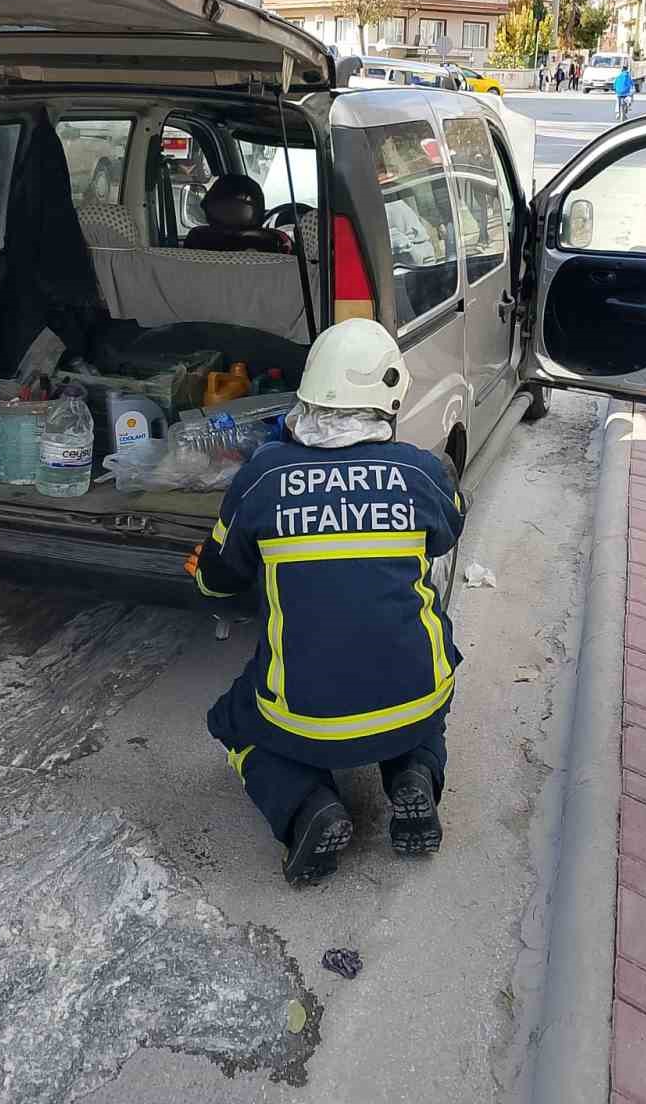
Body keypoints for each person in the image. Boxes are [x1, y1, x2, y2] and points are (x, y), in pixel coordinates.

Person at [187, 318, 466, 885]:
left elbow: (218, 581)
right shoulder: (419, 471)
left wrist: (207, 574)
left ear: (309, 391)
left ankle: (306, 805)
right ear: (388, 399)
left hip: (303, 715)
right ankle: (414, 773)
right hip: (416, 697)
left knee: (235, 718)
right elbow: (448, 530)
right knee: (415, 684)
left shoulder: (263, 475)